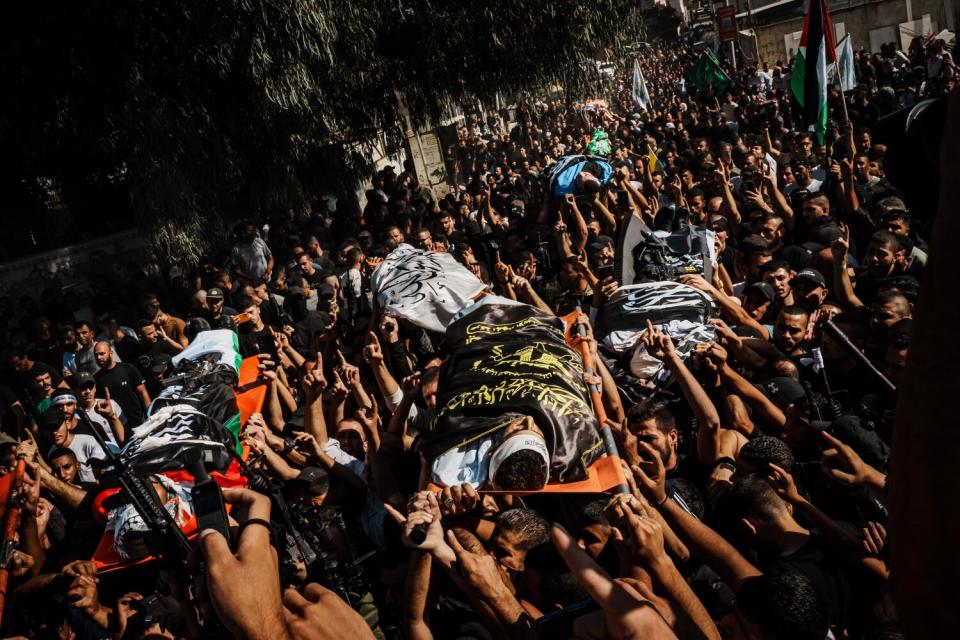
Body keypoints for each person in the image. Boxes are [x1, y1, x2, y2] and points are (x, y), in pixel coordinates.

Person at [93, 341, 150, 427]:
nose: (98, 357)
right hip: (117, 425)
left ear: (110, 353)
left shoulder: (128, 369)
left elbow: (143, 393)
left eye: (102, 354)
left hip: (139, 421)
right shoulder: (96, 379)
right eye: (96, 355)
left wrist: (150, 414)